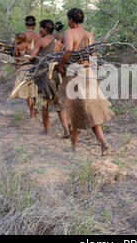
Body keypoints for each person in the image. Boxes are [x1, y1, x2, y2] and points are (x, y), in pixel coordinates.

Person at [57, 8, 114, 156]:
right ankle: (103, 143)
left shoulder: (70, 32)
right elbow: (93, 54)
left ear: (71, 20)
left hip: (74, 73)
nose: (67, 22)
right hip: (88, 73)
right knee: (91, 110)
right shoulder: (89, 34)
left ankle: (74, 146)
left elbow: (69, 49)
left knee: (71, 109)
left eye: (68, 19)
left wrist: (61, 65)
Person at [29, 19, 70, 138]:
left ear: (45, 29)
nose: (39, 30)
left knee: (45, 104)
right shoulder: (57, 42)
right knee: (58, 103)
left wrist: (29, 52)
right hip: (56, 76)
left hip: (44, 76)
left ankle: (46, 130)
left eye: (40, 28)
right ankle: (66, 129)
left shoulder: (41, 41)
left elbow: (32, 57)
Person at [12, 30, 39, 118]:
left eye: (16, 39)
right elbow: (33, 57)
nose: (15, 40)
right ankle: (36, 105)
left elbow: (16, 59)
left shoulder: (17, 47)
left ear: (19, 39)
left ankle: (31, 112)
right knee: (34, 89)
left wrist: (16, 65)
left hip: (23, 70)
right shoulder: (29, 45)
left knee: (28, 94)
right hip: (32, 68)